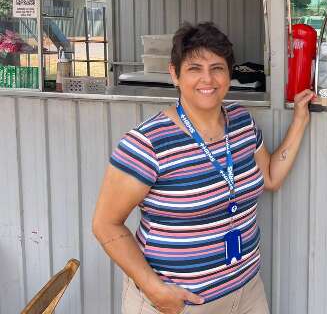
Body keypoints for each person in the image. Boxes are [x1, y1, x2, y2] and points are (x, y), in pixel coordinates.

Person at [93, 22, 314, 314]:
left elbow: (270, 177)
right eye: (194, 68)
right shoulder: (148, 142)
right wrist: (153, 289)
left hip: (246, 293)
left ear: (229, 73)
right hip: (180, 303)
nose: (207, 79)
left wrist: (300, 121)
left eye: (217, 68)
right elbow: (105, 224)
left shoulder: (241, 122)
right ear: (175, 74)